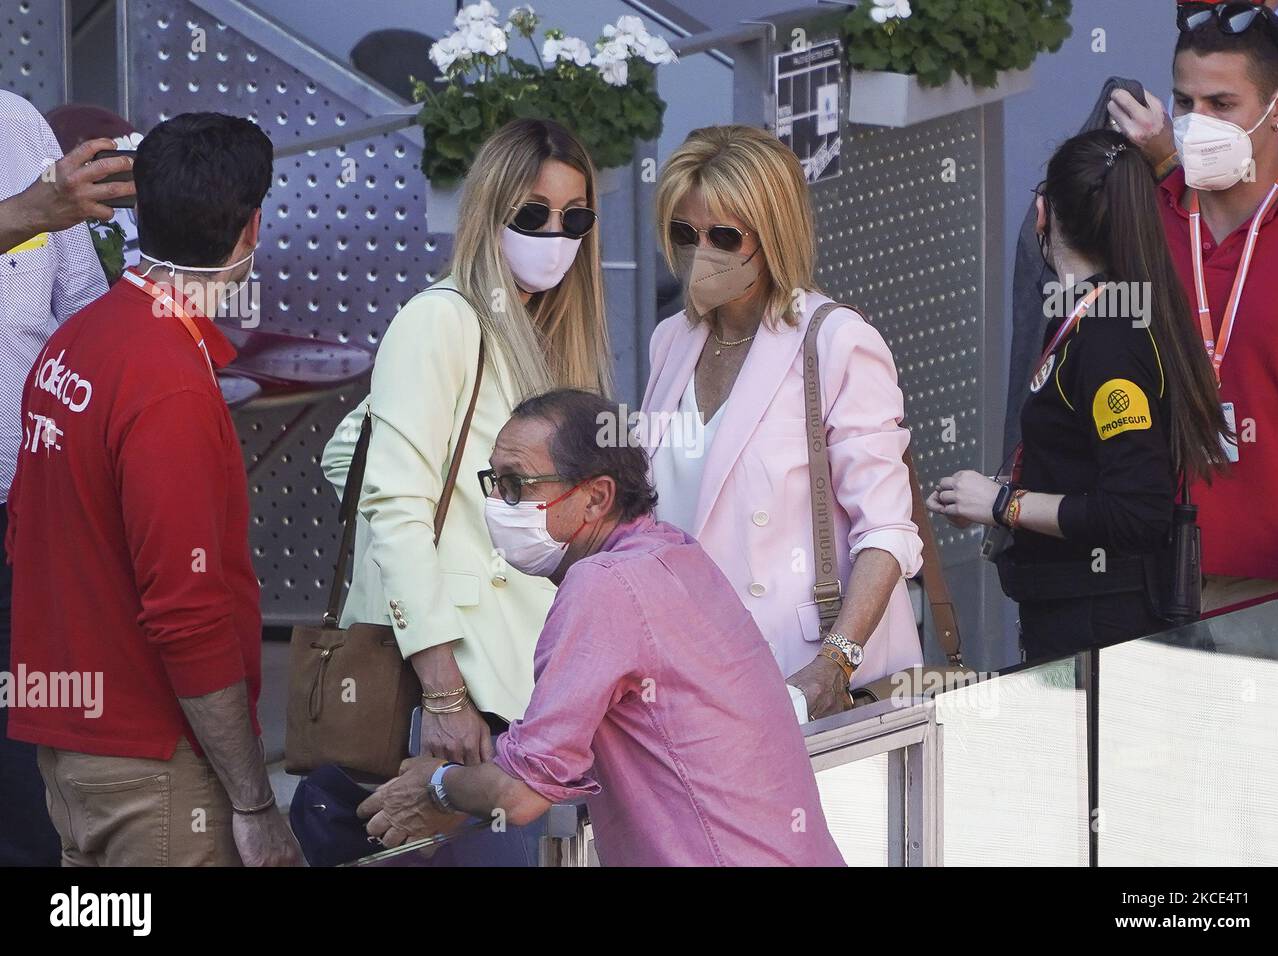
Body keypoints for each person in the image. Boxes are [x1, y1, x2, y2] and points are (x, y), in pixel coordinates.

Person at [357, 389, 846, 867]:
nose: (498, 504)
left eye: (516, 484)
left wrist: (437, 786)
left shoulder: (605, 583)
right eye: (495, 482)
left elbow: (522, 794)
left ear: (596, 498)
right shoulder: (672, 552)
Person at [5, 112, 301, 866]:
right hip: (151, 770)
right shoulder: (167, 380)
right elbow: (189, 612)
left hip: (70, 755)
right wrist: (254, 801)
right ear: (251, 230)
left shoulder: (78, 338)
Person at [320, 118, 613, 767]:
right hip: (456, 679)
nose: (555, 237)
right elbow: (390, 495)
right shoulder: (440, 320)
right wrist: (445, 691)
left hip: (532, 668)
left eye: (575, 219)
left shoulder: (556, 333)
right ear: (490, 211)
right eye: (534, 213)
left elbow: (352, 454)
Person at [639, 125, 923, 721]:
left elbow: (887, 531)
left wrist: (832, 664)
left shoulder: (837, 341)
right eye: (684, 234)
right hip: (694, 675)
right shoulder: (672, 341)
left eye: (724, 236)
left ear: (773, 235)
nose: (701, 253)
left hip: (804, 676)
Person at [928, 129, 1230, 663]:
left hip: (1104, 631)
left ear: (1043, 213)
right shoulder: (1094, 313)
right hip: (1077, 616)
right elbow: (1086, 466)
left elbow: (1136, 512)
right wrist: (991, 495)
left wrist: (1004, 505)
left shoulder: (1110, 337)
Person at [1110, 0, 1278, 611]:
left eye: (1222, 105)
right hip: (1151, 572)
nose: (1198, 122)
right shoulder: (1139, 216)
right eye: (1185, 103)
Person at [0, 89, 132, 867]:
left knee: (27, 733)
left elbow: (80, 305)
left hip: (28, 503)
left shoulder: (16, 121)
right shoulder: (35, 189)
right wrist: (25, 213)